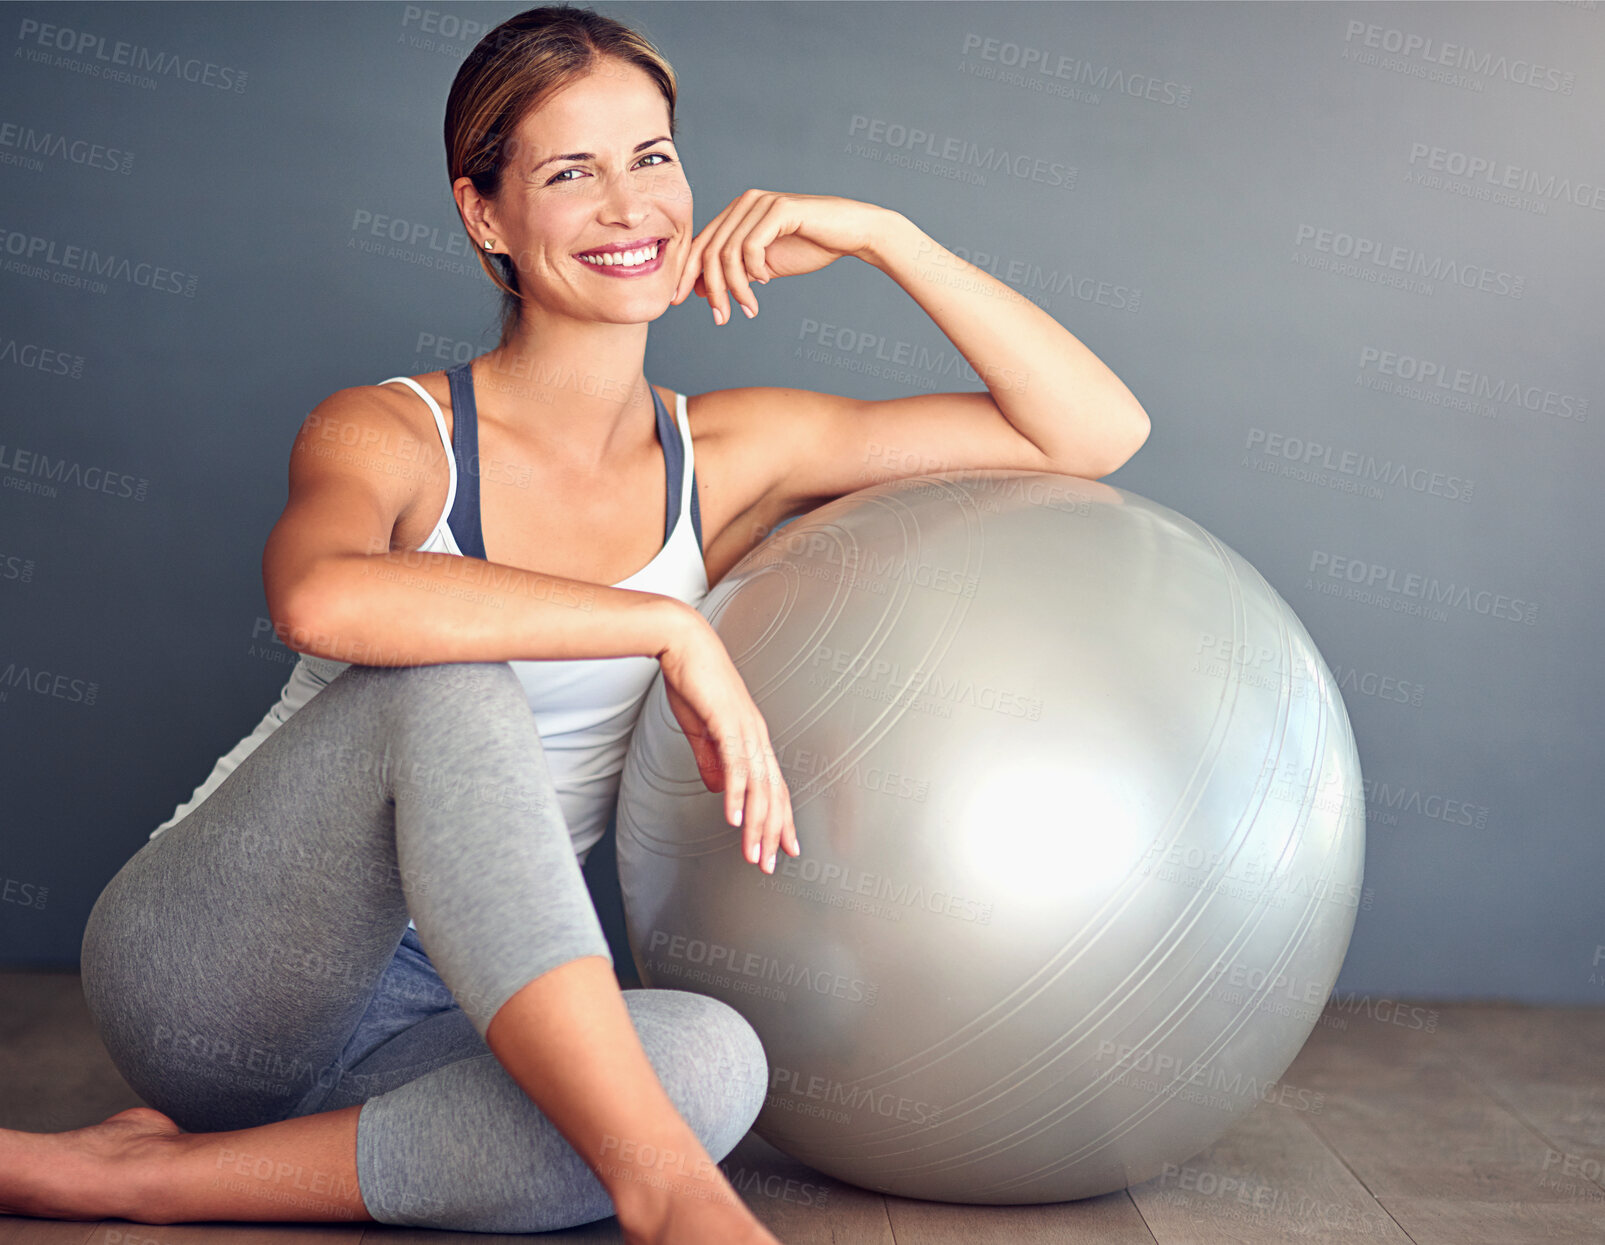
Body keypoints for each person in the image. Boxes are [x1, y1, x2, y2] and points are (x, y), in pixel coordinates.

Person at [0, 5, 1149, 1241]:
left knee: (712, 1062)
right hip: (220, 973)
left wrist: (885, 237)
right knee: (451, 681)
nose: (629, 205)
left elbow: (1087, 435)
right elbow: (321, 598)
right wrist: (667, 629)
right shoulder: (390, 431)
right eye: (570, 172)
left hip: (466, 1006)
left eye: (652, 156)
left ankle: (139, 1180)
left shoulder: (729, 451)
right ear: (484, 214)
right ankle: (666, 1198)